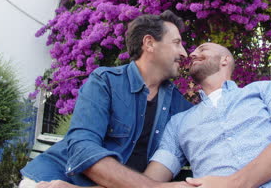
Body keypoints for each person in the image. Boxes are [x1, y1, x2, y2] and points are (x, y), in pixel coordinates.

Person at [38, 42, 271, 188]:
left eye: (203, 50)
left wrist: (234, 183)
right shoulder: (179, 121)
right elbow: (149, 183)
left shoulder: (261, 90)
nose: (192, 54)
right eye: (191, 50)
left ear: (225, 60)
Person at [20, 10, 195, 188]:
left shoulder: (180, 107)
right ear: (149, 43)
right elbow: (82, 148)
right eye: (176, 43)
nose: (184, 53)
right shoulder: (106, 81)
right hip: (54, 179)